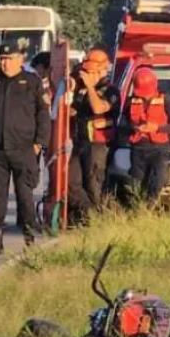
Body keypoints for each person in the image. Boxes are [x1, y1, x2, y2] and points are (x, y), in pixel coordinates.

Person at [0, 44, 51, 254]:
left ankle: (28, 238)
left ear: (20, 59)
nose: (5, 63)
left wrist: (39, 143)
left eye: (9, 58)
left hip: (24, 148)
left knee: (25, 196)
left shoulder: (31, 82)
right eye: (2, 58)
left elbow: (43, 115)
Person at [67, 48, 120, 223]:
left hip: (98, 146)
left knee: (94, 186)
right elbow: (73, 110)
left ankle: (97, 220)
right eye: (86, 71)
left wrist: (90, 87)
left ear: (103, 70)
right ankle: (90, 216)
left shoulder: (111, 91)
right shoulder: (81, 89)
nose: (87, 75)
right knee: (71, 182)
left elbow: (98, 108)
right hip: (79, 142)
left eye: (92, 72)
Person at [119, 67, 170, 204]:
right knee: (136, 182)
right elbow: (123, 124)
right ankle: (137, 208)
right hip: (138, 148)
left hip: (159, 148)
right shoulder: (131, 102)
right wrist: (134, 128)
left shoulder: (166, 100)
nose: (144, 96)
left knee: (158, 179)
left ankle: (149, 205)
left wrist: (157, 128)